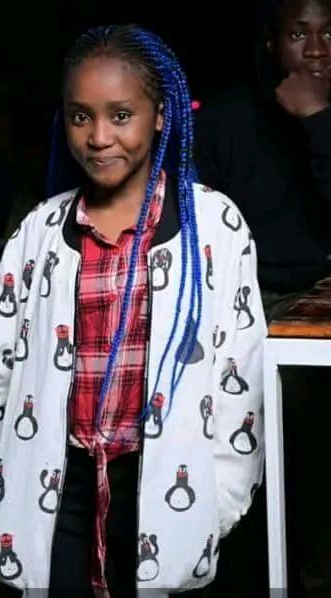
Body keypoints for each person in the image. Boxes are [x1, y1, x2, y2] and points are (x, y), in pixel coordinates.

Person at [0, 24, 266, 597]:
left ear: (160, 116)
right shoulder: (38, 232)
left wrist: (219, 503)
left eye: (121, 115)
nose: (100, 137)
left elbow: (241, 381)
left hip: (161, 482)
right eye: (81, 116)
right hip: (59, 488)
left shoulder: (215, 228)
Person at [194, 0, 331, 594]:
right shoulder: (225, 119)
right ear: (273, 42)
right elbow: (201, 242)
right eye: (300, 33)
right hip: (248, 306)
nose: (317, 49)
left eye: (330, 33)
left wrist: (319, 121)